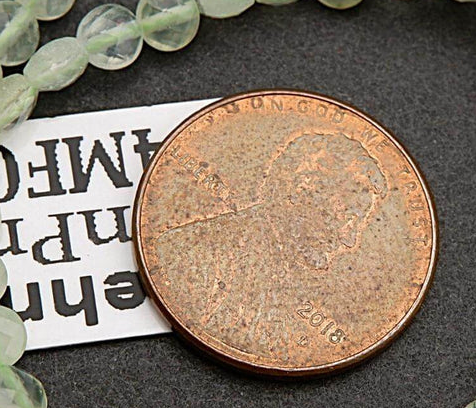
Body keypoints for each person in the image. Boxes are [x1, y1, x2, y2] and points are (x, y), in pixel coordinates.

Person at [152, 131, 388, 359]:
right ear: (302, 191)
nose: (350, 240)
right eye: (349, 218)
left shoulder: (291, 278)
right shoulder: (192, 253)